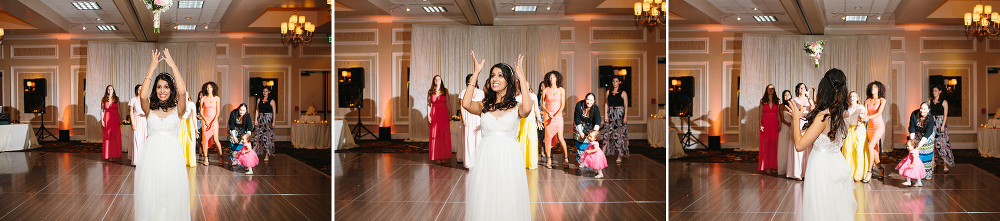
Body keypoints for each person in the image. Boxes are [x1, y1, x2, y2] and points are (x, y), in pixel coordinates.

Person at [462, 51, 531, 220]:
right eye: (493, 75)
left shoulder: (517, 106)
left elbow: (528, 109)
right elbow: (465, 103)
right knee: (487, 195)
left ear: (508, 80)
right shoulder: (484, 104)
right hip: (487, 157)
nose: (495, 79)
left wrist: (521, 77)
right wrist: (476, 73)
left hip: (509, 157)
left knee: (507, 195)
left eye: (500, 75)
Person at [789, 68, 856, 220]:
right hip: (837, 161)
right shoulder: (844, 113)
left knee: (820, 209)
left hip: (821, 166)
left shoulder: (823, 116)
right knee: (835, 207)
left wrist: (796, 118)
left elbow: (799, 145)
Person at [134, 48, 191, 220]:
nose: (162, 90)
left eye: (166, 87)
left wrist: (172, 64)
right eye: (159, 87)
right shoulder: (148, 108)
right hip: (151, 161)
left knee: (171, 195)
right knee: (152, 195)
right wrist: (152, 68)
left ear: (170, 88)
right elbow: (143, 95)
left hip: (172, 161)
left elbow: (182, 92)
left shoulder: (178, 109)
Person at [541, 71, 568, 168]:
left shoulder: (561, 90)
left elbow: (563, 105)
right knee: (547, 138)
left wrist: (556, 114)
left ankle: (566, 159)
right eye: (550, 77)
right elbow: (542, 106)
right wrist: (548, 113)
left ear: (557, 78)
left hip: (558, 116)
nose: (552, 79)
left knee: (561, 138)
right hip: (548, 116)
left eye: (553, 77)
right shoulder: (545, 90)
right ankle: (548, 160)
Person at [787, 83, 814, 180]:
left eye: (803, 87)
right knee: (797, 148)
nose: (802, 89)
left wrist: (808, 97)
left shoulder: (808, 100)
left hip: (807, 125)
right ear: (797, 89)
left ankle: (806, 172)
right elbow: (792, 113)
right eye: (800, 87)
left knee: (807, 148)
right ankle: (797, 172)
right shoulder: (794, 100)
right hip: (798, 123)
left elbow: (813, 109)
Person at [459, 74, 484, 169]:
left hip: (478, 117)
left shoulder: (481, 92)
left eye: (474, 79)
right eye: (470, 80)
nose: (472, 81)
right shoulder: (463, 92)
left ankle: (478, 163)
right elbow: (462, 106)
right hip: (468, 117)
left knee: (478, 140)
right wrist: (463, 118)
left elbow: (482, 106)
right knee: (468, 139)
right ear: (467, 81)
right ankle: (469, 163)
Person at [863, 81, 887, 181]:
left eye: (875, 88)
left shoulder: (882, 100)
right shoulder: (867, 101)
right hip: (870, 127)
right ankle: (880, 169)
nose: (873, 89)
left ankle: (869, 172)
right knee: (873, 149)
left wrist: (868, 117)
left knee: (870, 146)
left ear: (879, 89)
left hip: (879, 126)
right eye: (872, 87)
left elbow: (879, 113)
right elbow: (864, 113)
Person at [427, 75, 453, 164]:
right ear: (433, 81)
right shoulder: (430, 91)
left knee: (443, 135)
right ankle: (437, 156)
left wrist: (450, 113)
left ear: (441, 81)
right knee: (436, 135)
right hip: (434, 114)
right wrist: (428, 115)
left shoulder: (445, 91)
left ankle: (443, 156)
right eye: (435, 79)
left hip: (443, 114)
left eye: (439, 79)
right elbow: (429, 104)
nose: (437, 81)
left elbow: (448, 103)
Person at [843, 91, 868, 182]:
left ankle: (858, 174)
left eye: (854, 96)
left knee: (858, 150)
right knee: (847, 149)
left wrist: (858, 125)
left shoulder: (860, 107)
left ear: (857, 98)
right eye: (850, 96)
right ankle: (848, 173)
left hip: (859, 129)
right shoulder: (847, 108)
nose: (852, 97)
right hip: (850, 129)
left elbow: (862, 117)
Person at [603, 76, 629, 164]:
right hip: (610, 114)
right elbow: (606, 103)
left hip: (619, 115)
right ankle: (603, 154)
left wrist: (625, 117)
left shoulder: (623, 93)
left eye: (616, 81)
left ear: (619, 82)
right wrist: (605, 115)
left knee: (619, 135)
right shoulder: (608, 92)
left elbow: (626, 106)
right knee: (607, 133)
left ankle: (620, 155)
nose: (614, 83)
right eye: (613, 81)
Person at [909, 102, 938, 180]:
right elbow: (912, 127)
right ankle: (917, 173)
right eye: (921, 108)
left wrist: (920, 145)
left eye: (925, 109)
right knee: (917, 154)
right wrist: (912, 141)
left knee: (927, 153)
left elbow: (927, 133)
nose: (922, 110)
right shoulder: (914, 114)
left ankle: (927, 173)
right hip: (917, 133)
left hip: (928, 136)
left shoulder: (931, 118)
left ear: (928, 110)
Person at [929, 84, 953, 174]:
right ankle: (933, 163)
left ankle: (945, 165)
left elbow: (946, 115)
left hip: (940, 124)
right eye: (933, 91)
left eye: (936, 91)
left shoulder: (944, 102)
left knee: (943, 144)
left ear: (940, 91)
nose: (934, 92)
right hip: (932, 123)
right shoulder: (930, 101)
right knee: (933, 144)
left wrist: (943, 125)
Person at [574, 93, 602, 169]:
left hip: (591, 126)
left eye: (591, 100)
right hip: (580, 125)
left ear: (594, 101)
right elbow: (577, 119)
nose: (589, 102)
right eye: (588, 99)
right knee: (580, 142)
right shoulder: (579, 105)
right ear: (585, 99)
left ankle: (589, 160)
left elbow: (598, 121)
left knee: (590, 143)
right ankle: (581, 160)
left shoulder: (595, 108)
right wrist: (580, 131)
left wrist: (594, 133)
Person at [516, 86, 541, 169]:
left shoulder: (533, 96)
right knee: (520, 139)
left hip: (530, 120)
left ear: (529, 87)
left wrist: (539, 119)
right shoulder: (518, 97)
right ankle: (520, 161)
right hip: (521, 120)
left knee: (531, 139)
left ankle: (531, 161)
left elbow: (536, 109)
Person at [759, 84, 780, 174]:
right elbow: (760, 113)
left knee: (774, 146)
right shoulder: (762, 101)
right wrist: (760, 124)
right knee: (766, 146)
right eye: (769, 88)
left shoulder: (777, 100)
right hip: (765, 124)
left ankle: (774, 166)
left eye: (772, 88)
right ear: (766, 90)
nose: (771, 90)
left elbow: (778, 113)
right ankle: (766, 166)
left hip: (775, 124)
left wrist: (780, 124)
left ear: (774, 90)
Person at [200, 82, 223, 166]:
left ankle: (221, 157)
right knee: (205, 140)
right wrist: (205, 120)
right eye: (207, 87)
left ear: (213, 88)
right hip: (205, 121)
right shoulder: (203, 98)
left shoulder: (217, 98)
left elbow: (218, 112)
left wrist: (213, 121)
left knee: (216, 139)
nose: (208, 89)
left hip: (214, 121)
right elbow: (200, 111)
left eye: (210, 87)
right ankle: (206, 158)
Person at [253, 87, 276, 161]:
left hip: (268, 119)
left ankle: (267, 154)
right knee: (257, 135)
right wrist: (255, 119)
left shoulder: (272, 101)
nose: (264, 93)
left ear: (269, 92)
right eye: (263, 91)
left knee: (267, 137)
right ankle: (254, 152)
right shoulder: (259, 100)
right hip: (260, 119)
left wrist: (273, 122)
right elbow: (257, 110)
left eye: (266, 91)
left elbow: (274, 113)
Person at [102, 85, 123, 163]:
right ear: (106, 90)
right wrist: (102, 120)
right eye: (108, 89)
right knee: (108, 137)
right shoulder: (103, 99)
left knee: (115, 136)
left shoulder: (116, 99)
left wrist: (121, 118)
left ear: (113, 90)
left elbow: (119, 109)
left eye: (111, 89)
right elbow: (101, 110)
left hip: (115, 118)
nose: (110, 90)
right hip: (107, 119)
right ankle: (109, 155)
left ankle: (114, 155)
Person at [129, 84, 147, 166]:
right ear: (136, 90)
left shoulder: (146, 100)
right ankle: (135, 161)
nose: (140, 91)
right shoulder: (133, 100)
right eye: (139, 89)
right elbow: (131, 112)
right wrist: (132, 123)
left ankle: (143, 160)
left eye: (141, 89)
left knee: (144, 140)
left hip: (144, 121)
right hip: (136, 120)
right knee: (136, 139)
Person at [777, 90, 793, 175]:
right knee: (784, 147)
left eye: (788, 95)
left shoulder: (793, 104)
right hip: (785, 126)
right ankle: (783, 167)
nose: (787, 96)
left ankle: (791, 167)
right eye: (785, 95)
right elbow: (782, 118)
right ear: (783, 97)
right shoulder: (781, 106)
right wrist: (787, 123)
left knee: (790, 146)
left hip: (792, 127)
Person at [180, 95, 197, 167]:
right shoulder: (179, 103)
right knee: (181, 141)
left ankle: (190, 161)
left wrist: (196, 129)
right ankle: (181, 161)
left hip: (189, 123)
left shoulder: (191, 104)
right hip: (181, 123)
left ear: (188, 96)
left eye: (186, 94)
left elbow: (194, 117)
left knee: (190, 141)